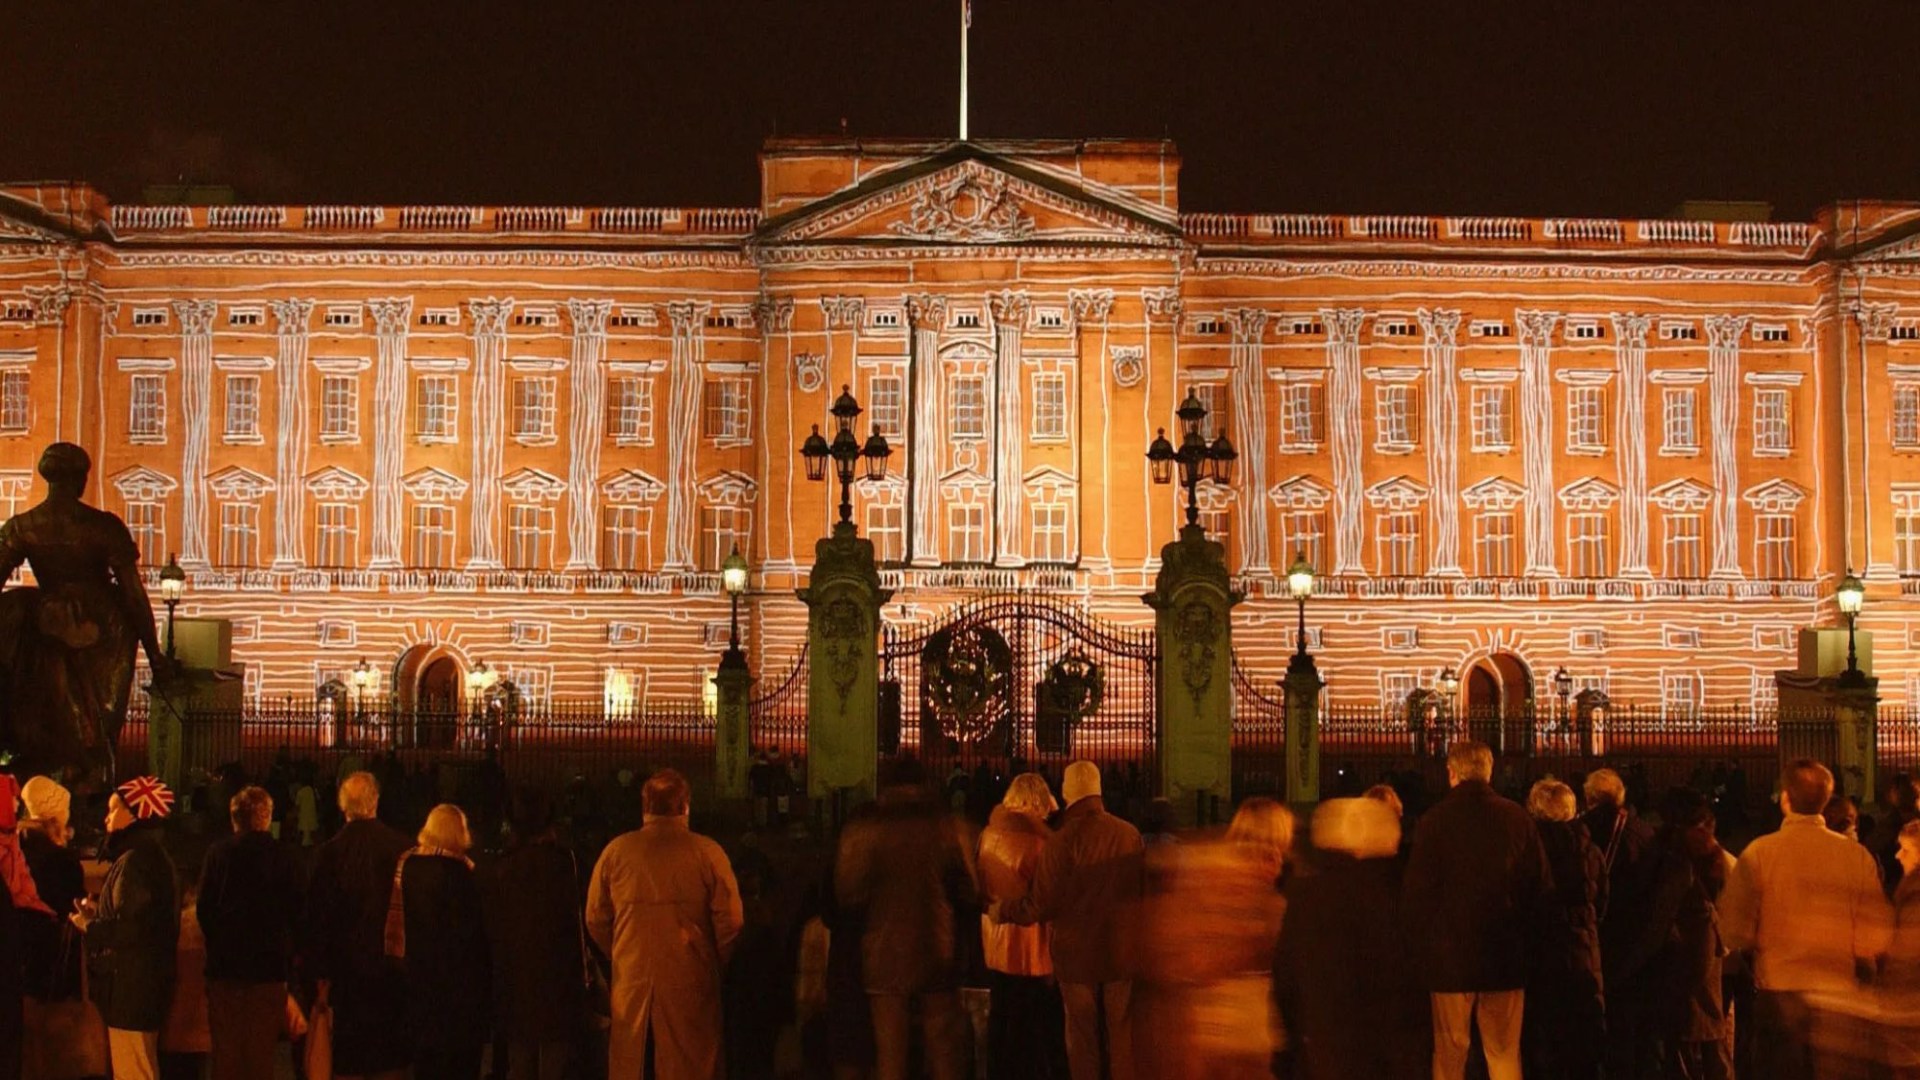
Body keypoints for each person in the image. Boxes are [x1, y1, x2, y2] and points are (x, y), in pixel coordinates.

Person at [0, 442, 176, 781]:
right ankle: (90, 767)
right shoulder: (103, 526)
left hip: (45, 621)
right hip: (100, 628)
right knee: (97, 714)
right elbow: (134, 596)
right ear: (81, 481)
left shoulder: (23, 526)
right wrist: (155, 656)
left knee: (47, 704)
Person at [1719, 758, 1891, 1080]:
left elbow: (1734, 932)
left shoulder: (1759, 854)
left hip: (1779, 993)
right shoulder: (1856, 857)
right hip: (1838, 996)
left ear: (1785, 798)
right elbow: (1875, 935)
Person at [1402, 740, 1551, 1080]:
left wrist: (1423, 947)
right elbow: (1539, 889)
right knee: (1503, 1053)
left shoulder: (1433, 821)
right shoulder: (1517, 818)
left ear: (1452, 774)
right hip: (1505, 956)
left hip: (1449, 959)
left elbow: (1417, 895)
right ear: (1489, 773)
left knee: (1450, 1054)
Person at [587, 768, 743, 1080]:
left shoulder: (616, 853)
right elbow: (731, 920)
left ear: (644, 806)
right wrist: (712, 959)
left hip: (632, 978)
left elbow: (596, 918)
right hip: (690, 978)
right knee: (690, 1061)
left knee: (634, 1060)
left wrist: (621, 952)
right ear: (685, 806)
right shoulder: (707, 852)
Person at [997, 760, 1144, 1080]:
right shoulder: (1129, 834)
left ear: (1067, 792)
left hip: (1076, 954)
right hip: (1121, 950)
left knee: (1082, 1038)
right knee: (1121, 1036)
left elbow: (1040, 904)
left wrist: (1003, 910)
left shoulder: (1062, 841)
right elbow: (1141, 893)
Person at [835, 757, 977, 1080]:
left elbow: (848, 890)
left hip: (883, 949)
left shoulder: (867, 829)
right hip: (935, 943)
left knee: (890, 1053)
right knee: (943, 1050)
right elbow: (971, 885)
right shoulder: (945, 825)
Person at [1274, 797, 1428, 1078]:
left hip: (1323, 1050)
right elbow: (1409, 982)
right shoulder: (1394, 895)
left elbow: (1286, 977)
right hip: (1387, 1053)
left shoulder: (1306, 896)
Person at [303, 770, 412, 1080]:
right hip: (389, 968)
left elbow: (317, 918)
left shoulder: (328, 854)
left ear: (343, 806)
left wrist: (319, 972)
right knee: (388, 1059)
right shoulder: (401, 848)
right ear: (375, 801)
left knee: (348, 1059)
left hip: (345, 971)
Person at [71, 777, 180, 1080]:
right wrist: (99, 912)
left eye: (113, 809)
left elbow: (132, 928)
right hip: (141, 985)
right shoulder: (149, 855)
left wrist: (90, 925)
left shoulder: (137, 861)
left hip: (132, 988)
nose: (106, 817)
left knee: (134, 1069)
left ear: (135, 814)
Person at [196, 785, 303, 1080]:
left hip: (225, 968)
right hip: (269, 969)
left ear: (234, 819)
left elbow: (204, 909)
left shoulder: (218, 854)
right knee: (260, 1055)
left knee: (226, 1054)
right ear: (268, 818)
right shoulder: (284, 856)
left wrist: (218, 942)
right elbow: (296, 911)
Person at [483, 787, 586, 1080]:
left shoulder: (504, 866)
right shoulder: (564, 863)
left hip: (514, 977)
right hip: (557, 978)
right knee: (555, 1062)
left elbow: (492, 924)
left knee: (520, 1060)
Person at [387, 804, 489, 1080]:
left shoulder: (406, 865)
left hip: (418, 980)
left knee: (426, 1064)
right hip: (459, 992)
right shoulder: (465, 874)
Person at [976, 772, 1066, 1080]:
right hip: (1032, 949)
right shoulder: (1040, 843)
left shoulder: (988, 835)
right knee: (1032, 1026)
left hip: (994, 940)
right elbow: (1047, 899)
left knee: (1001, 1018)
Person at [1520, 779, 1606, 1080]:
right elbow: (1602, 901)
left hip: (1537, 952)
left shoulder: (1526, 849)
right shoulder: (1590, 850)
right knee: (1581, 1038)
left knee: (1540, 1038)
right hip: (1580, 949)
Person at [19, 774, 101, 1080]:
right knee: (56, 1055)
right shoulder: (61, 861)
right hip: (53, 965)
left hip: (17, 965)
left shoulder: (14, 853)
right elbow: (72, 907)